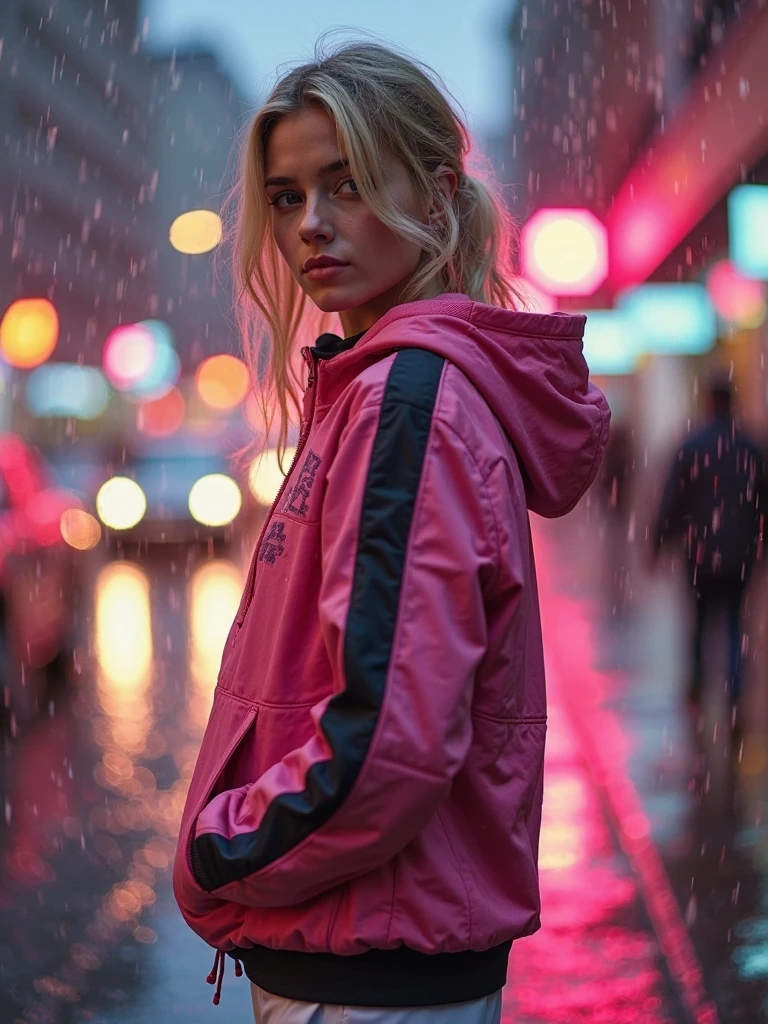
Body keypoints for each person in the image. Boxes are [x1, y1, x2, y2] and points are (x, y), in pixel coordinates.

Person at [173, 36, 610, 1024]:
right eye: (286, 197)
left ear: (440, 195)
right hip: (377, 953)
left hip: (367, 973)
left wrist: (219, 848)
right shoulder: (386, 389)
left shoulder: (406, 403)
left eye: (349, 183)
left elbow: (386, 744)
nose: (312, 225)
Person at [651, 371, 767, 737]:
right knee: (733, 623)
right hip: (740, 554)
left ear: (708, 402)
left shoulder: (692, 445)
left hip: (699, 554)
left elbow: (673, 500)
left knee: (699, 623)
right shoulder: (751, 448)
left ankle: (698, 691)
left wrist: (658, 543)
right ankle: (734, 694)